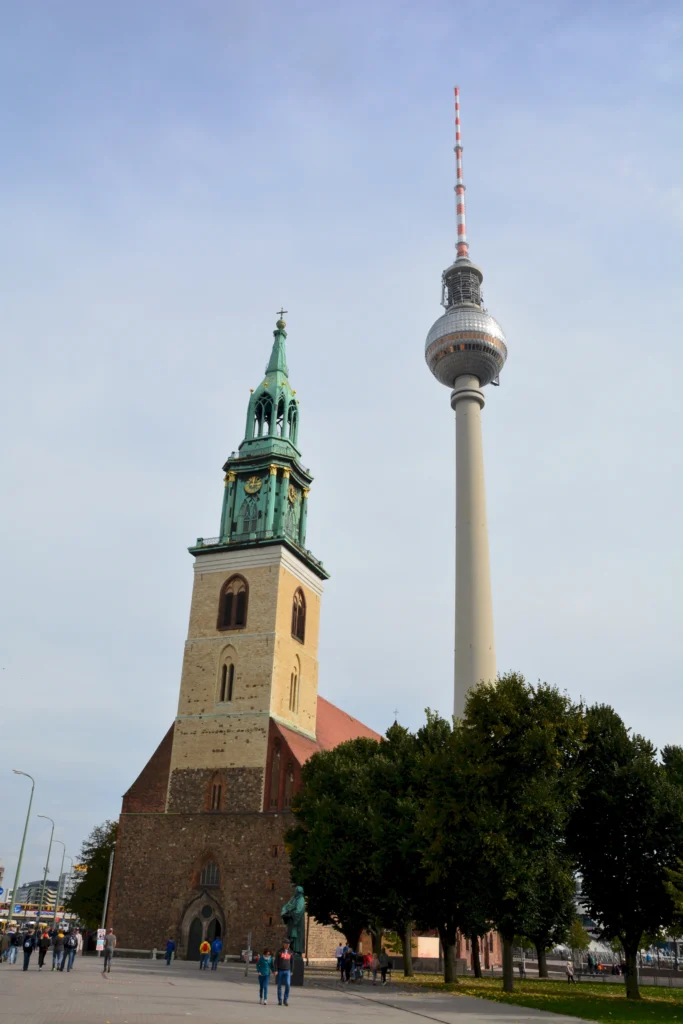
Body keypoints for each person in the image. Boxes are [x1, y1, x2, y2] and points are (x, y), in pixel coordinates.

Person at [274, 937, 293, 1006]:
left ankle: (285, 999)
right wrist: (275, 970)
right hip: (280, 970)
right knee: (279, 985)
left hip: (287, 970)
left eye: (289, 944)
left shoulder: (290, 952)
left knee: (288, 984)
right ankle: (280, 1000)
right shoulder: (279, 951)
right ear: (283, 944)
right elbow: (276, 961)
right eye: (286, 944)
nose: (288, 945)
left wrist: (292, 971)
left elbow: (292, 962)